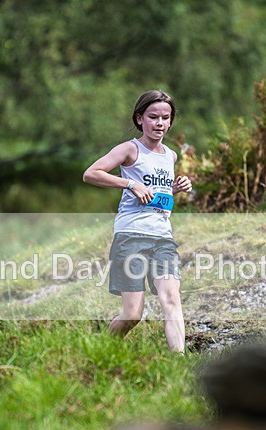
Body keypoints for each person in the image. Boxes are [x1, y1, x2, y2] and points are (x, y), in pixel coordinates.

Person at [83, 90, 192, 352]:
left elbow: (156, 194)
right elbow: (91, 174)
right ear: (140, 118)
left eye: (165, 118)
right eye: (153, 117)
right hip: (131, 236)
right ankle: (103, 350)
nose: (160, 123)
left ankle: (180, 364)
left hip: (163, 238)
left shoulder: (171, 156)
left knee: (171, 299)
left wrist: (176, 189)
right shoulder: (130, 149)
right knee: (133, 314)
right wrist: (130, 184)